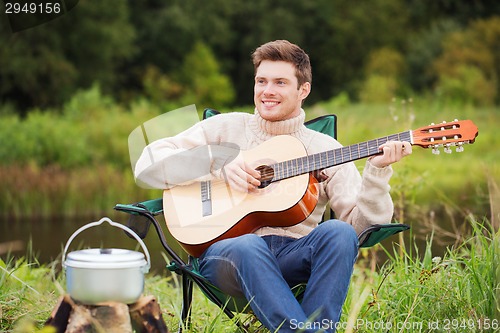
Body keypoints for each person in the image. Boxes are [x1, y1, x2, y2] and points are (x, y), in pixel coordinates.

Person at [134, 40, 412, 332]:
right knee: (249, 245)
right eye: (261, 81)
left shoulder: (326, 149)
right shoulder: (224, 129)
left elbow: (362, 229)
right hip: (226, 257)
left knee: (339, 232)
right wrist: (216, 162)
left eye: (280, 82)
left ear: (302, 90)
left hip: (293, 256)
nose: (267, 91)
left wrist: (377, 174)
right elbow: (147, 164)